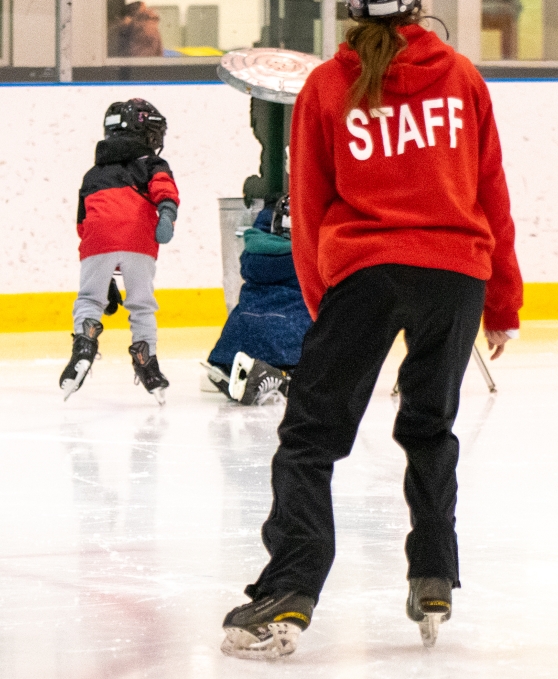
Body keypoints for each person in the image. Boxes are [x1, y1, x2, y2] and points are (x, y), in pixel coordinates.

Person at [219, 0, 523, 659]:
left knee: (310, 435)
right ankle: (434, 572)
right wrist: (502, 301)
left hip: (367, 272)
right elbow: (491, 191)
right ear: (419, 10)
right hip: (456, 274)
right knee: (429, 426)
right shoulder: (463, 78)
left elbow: (308, 207)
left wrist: (324, 300)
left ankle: (290, 588)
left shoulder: (328, 86)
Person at [59, 98, 178, 404]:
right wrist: (166, 213)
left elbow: (84, 223)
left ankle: (84, 344)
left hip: (98, 241)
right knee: (141, 304)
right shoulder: (151, 164)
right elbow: (163, 187)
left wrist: (106, 277)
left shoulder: (92, 174)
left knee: (89, 298)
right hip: (139, 239)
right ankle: (146, 362)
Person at [203, 195, 310, 406]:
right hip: (285, 332)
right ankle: (277, 377)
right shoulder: (306, 261)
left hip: (242, 329)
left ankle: (225, 366)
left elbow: (264, 220)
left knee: (247, 321)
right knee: (311, 364)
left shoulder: (255, 253)